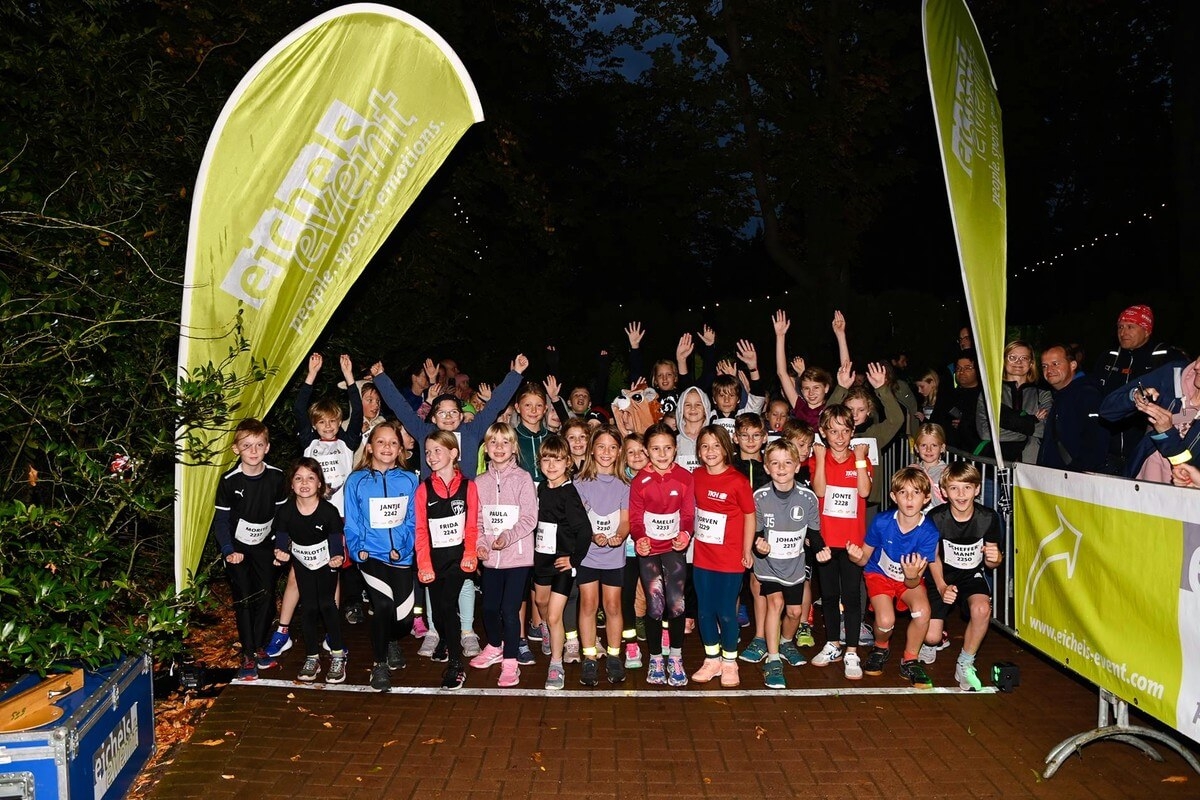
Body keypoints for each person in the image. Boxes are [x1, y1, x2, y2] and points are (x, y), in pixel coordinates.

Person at [266, 352, 363, 661]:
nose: (328, 426)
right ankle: (283, 631)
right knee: (298, 574)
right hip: (305, 514)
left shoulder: (348, 442)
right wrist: (311, 374)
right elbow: (298, 408)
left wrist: (350, 378)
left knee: (332, 572)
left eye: (333, 421)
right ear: (315, 425)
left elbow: (357, 411)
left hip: (337, 517)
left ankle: (331, 633)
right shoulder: (309, 443)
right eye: (322, 422)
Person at [343, 421, 420, 692]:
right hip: (371, 555)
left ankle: (391, 640)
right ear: (369, 447)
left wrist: (404, 547)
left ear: (400, 449)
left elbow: (413, 521)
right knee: (384, 606)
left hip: (401, 557)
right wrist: (358, 550)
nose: (387, 447)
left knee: (405, 619)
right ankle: (379, 664)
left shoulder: (410, 480)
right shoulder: (356, 481)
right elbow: (352, 523)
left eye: (393, 443)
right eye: (381, 442)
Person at [848, 466, 940, 689]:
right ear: (893, 496)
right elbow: (864, 558)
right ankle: (880, 647)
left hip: (909, 580)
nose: (909, 498)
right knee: (885, 621)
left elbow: (912, 582)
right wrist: (856, 556)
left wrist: (911, 576)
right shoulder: (882, 522)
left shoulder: (929, 532)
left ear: (926, 498)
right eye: (903, 492)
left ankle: (910, 659)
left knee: (922, 612)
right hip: (879, 575)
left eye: (916, 492)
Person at [210, 418, 287, 681]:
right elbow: (221, 521)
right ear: (236, 449)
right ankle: (248, 654)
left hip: (265, 546)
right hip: (238, 548)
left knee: (266, 597)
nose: (253, 451)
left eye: (258, 445)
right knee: (244, 599)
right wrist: (228, 549)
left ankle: (258, 646)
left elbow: (282, 516)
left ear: (267, 447)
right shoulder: (229, 480)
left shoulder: (277, 476)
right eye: (246, 445)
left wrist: (281, 546)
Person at [749, 440, 825, 689]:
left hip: (794, 565)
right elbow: (755, 533)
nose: (781, 468)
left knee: (794, 612)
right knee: (775, 603)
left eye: (787, 463)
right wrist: (758, 547)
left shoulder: (808, 497)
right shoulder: (760, 497)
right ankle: (772, 660)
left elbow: (814, 533)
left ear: (797, 466)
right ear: (767, 468)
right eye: (775, 463)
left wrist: (821, 549)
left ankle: (785, 643)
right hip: (768, 564)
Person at [921, 461, 1003, 691]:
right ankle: (931, 641)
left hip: (971, 575)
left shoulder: (988, 517)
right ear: (944, 492)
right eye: (954, 488)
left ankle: (965, 662)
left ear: (977, 489)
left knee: (982, 609)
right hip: (942, 575)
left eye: (967, 487)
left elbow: (992, 561)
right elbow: (932, 557)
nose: (961, 494)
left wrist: (996, 558)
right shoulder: (935, 518)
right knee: (931, 637)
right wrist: (941, 587)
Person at [470, 423, 538, 687]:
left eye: (505, 442)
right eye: (493, 442)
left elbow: (530, 518)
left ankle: (510, 661)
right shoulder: (479, 482)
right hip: (491, 559)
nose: (499, 447)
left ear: (514, 448)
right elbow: (477, 520)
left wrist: (507, 537)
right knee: (488, 608)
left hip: (517, 559)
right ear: (486, 449)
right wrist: (481, 545)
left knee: (510, 610)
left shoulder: (523, 478)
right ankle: (494, 646)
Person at [689, 425, 756, 688]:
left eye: (716, 445)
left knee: (727, 612)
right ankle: (712, 659)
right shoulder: (695, 476)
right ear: (698, 452)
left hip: (730, 559)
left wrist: (746, 550)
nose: (710, 451)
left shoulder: (738, 481)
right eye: (705, 446)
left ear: (726, 449)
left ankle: (730, 662)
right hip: (703, 557)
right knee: (705, 611)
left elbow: (750, 515)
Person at [629, 422, 695, 686]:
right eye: (655, 449)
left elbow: (688, 514)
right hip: (649, 552)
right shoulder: (640, 481)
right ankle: (655, 658)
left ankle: (676, 658)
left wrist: (685, 534)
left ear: (675, 448)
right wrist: (640, 538)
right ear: (646, 450)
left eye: (667, 448)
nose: (662, 453)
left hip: (673, 549)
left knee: (676, 604)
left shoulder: (685, 478)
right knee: (655, 604)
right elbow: (635, 518)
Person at [810, 404, 873, 679]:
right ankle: (833, 643)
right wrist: (820, 458)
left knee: (851, 596)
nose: (839, 437)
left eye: (845, 431)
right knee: (829, 595)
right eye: (833, 431)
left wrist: (859, 459)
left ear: (853, 432)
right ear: (823, 432)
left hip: (852, 543)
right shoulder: (818, 458)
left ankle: (852, 651)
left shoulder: (861, 459)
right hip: (826, 541)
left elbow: (864, 491)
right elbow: (820, 489)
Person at [413, 430, 480, 691]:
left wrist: (470, 554)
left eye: (437, 451)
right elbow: (420, 530)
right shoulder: (424, 489)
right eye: (427, 452)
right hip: (434, 560)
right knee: (440, 613)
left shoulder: (468, 487)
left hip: (459, 561)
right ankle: (443, 639)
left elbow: (472, 526)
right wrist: (424, 565)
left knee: (448, 605)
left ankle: (456, 664)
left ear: (453, 453)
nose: (431, 456)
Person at [271, 457, 347, 684]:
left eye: (310, 478)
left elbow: (335, 538)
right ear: (291, 484)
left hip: (326, 564)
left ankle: (338, 655)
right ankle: (312, 656)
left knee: (327, 605)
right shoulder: (286, 511)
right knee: (309, 608)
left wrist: (337, 556)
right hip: (303, 564)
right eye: (298, 478)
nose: (304, 483)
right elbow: (281, 536)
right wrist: (280, 551)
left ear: (320, 484)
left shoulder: (329, 511)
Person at [1093, 304, 1189, 475]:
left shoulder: (1168, 359)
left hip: (1148, 451)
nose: (1123, 332)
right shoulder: (1108, 358)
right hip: (1106, 451)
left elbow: (1187, 406)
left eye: (1130, 327)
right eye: (1120, 327)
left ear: (1147, 330)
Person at [531, 435, 591, 691]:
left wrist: (573, 560)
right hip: (541, 560)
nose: (551, 465)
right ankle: (545, 627)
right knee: (541, 603)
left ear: (568, 462)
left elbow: (585, 531)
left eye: (557, 460)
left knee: (555, 616)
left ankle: (556, 665)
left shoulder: (569, 493)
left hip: (562, 565)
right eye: (546, 459)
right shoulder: (542, 489)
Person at [573, 425, 631, 685]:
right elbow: (578, 520)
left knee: (613, 605)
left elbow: (626, 521)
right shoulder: (579, 484)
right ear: (592, 450)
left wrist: (619, 536)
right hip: (587, 555)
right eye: (601, 446)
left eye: (612, 447)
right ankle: (589, 656)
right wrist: (591, 536)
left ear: (619, 452)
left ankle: (615, 656)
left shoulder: (624, 485)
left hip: (613, 556)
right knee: (588, 604)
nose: (606, 452)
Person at [1099, 353, 1200, 482]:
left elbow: (1192, 472)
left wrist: (1166, 434)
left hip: (1178, 492)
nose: (1197, 366)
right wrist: (1134, 397)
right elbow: (1107, 410)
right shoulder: (1174, 374)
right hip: (1137, 482)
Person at [975, 341, 1051, 463]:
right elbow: (985, 432)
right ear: (1004, 361)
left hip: (1030, 464)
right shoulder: (989, 393)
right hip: (994, 463)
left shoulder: (1043, 394)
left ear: (1031, 363)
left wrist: (1003, 421)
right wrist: (1031, 423)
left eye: (1024, 358)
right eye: (1012, 357)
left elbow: (1045, 430)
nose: (1018, 362)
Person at [1036, 344, 1108, 474]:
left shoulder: (1087, 395)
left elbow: (1097, 440)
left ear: (1073, 365)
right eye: (1044, 366)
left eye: (1055, 364)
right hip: (1056, 476)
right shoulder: (1062, 395)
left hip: (1072, 478)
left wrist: (1079, 473)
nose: (1049, 370)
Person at [912, 422, 949, 511]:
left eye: (934, 445)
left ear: (942, 448)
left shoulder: (948, 473)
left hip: (938, 517)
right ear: (916, 448)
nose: (928, 450)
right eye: (923, 445)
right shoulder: (912, 470)